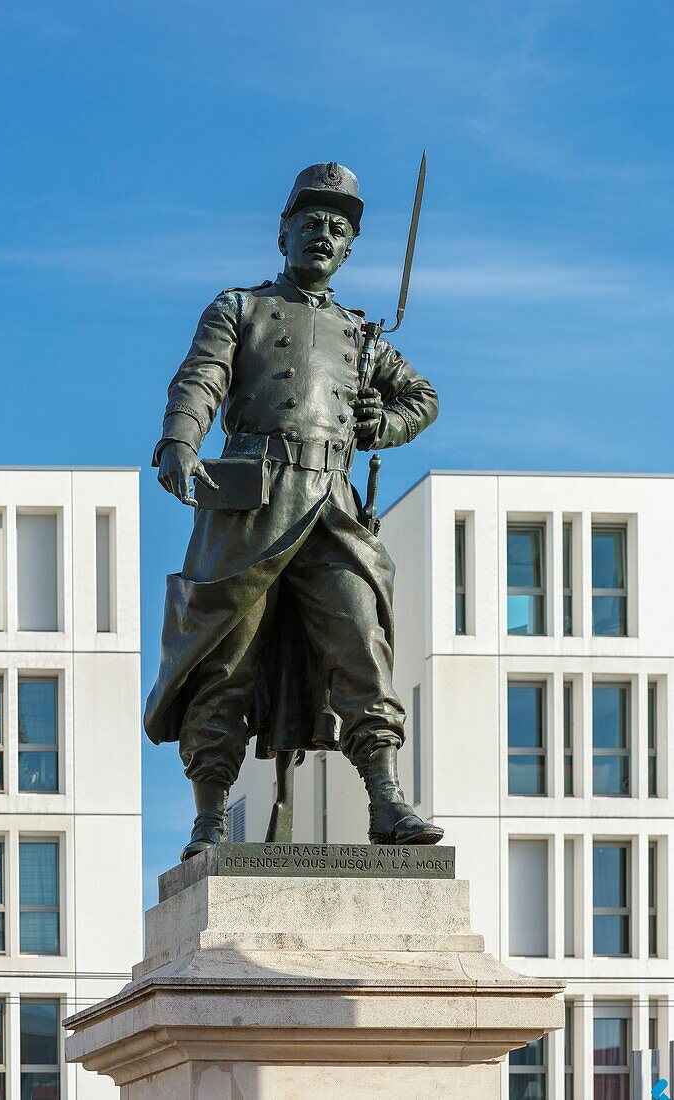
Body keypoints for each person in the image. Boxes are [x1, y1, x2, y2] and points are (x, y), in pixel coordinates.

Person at [144, 162, 444, 860]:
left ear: (346, 251)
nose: (322, 234)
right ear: (283, 233)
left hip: (331, 505)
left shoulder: (360, 335)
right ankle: (210, 815)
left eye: (337, 229)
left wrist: (380, 424)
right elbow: (201, 378)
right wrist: (179, 440)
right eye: (310, 222)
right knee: (225, 658)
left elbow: (420, 398)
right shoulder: (238, 308)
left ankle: (386, 798)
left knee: (360, 642)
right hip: (249, 500)